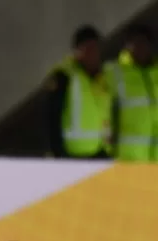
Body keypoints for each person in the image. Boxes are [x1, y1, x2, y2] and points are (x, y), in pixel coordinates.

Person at [106, 24, 158, 162]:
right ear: (127, 46)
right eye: (135, 43)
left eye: (143, 43)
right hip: (129, 158)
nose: (140, 48)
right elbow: (101, 105)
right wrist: (107, 139)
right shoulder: (114, 72)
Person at [45, 25, 111, 159]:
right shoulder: (64, 75)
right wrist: (58, 153)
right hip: (71, 155)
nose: (92, 54)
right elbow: (51, 117)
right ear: (77, 51)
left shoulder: (103, 78)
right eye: (87, 48)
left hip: (98, 153)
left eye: (95, 48)